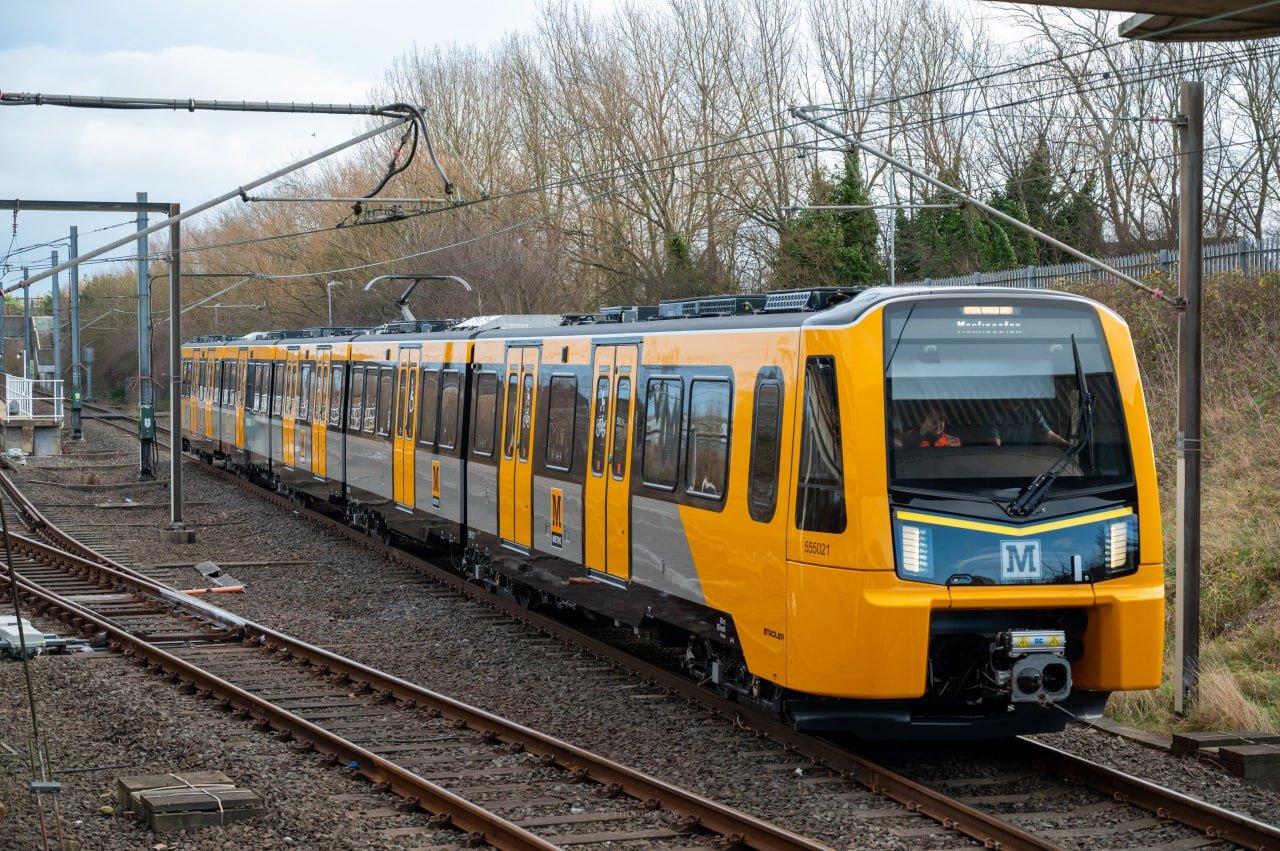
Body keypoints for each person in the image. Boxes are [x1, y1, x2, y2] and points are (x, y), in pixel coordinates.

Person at [987, 399, 1069, 448]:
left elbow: (1048, 436)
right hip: (1002, 460)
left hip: (1028, 459)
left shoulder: (1032, 412)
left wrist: (1068, 446)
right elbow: (995, 444)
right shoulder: (993, 415)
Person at [895, 407, 961, 448]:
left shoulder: (953, 441)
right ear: (923, 421)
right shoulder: (911, 438)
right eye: (933, 419)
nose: (938, 424)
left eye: (941, 419)